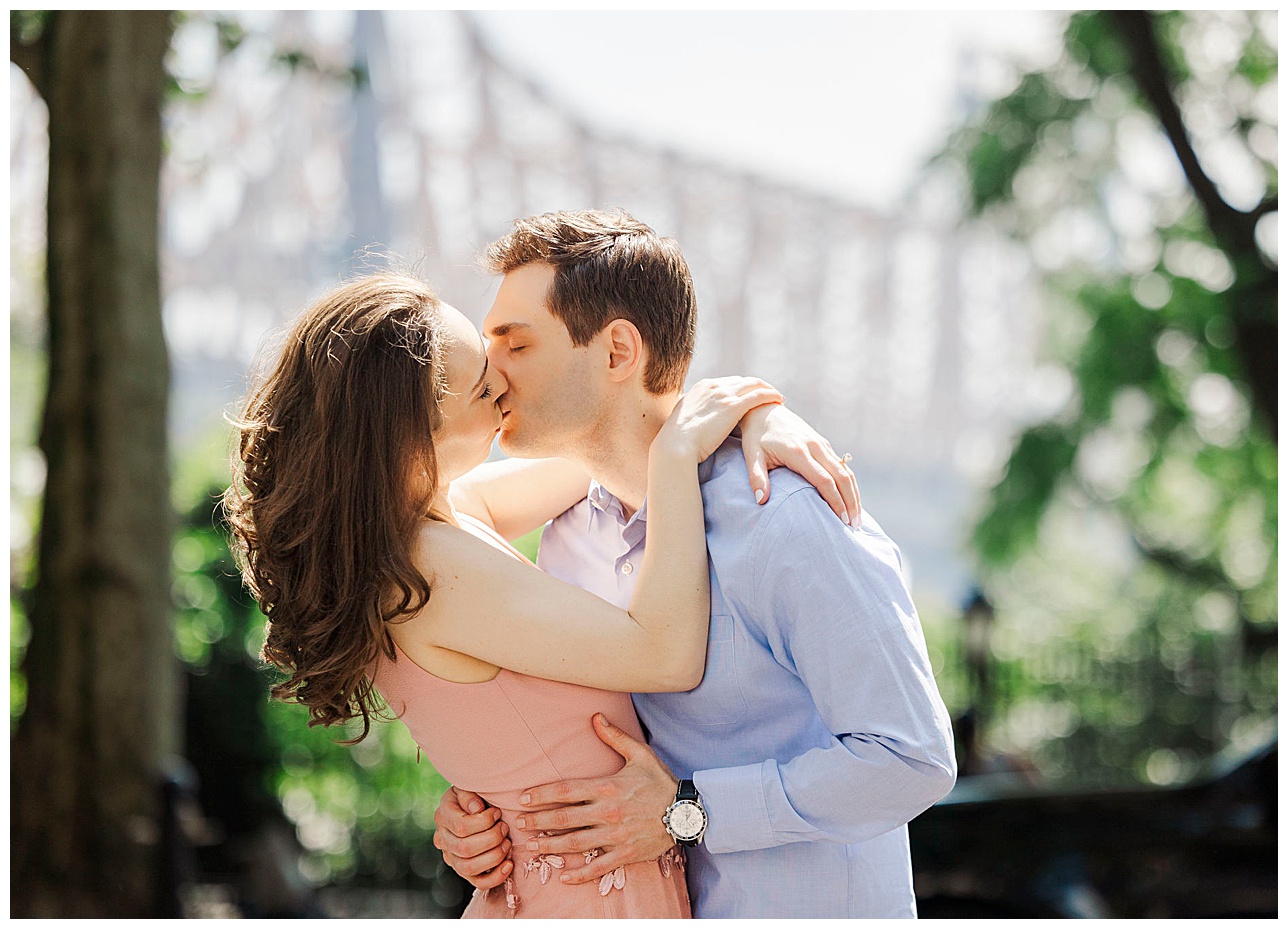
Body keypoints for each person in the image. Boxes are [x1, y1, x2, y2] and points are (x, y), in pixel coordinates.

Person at [225, 271, 858, 917]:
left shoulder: (417, 530)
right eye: (480, 386)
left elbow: (607, 447)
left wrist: (754, 412)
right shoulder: (435, 570)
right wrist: (676, 456)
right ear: (412, 438)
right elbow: (666, 652)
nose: (502, 382)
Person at [431, 209, 958, 918]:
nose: (489, 373)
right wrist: (483, 816)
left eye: (516, 344)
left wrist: (690, 811)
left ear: (618, 351)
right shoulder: (565, 537)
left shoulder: (784, 517)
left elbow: (912, 757)